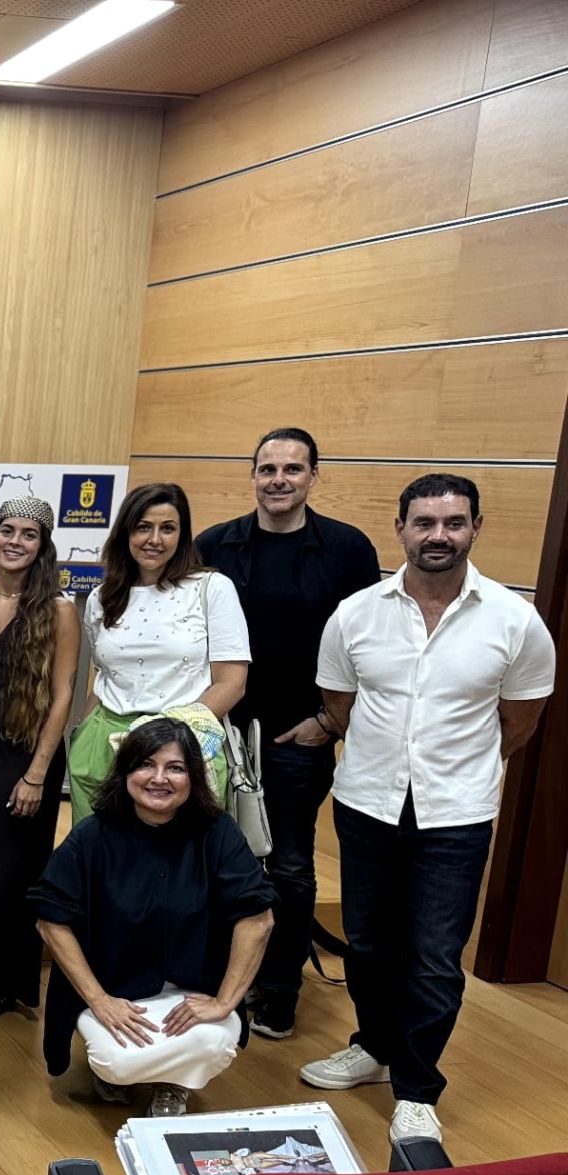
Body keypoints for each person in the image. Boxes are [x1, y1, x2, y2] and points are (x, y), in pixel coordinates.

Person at [301, 474, 554, 1144]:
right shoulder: (356, 614)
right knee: (369, 942)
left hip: (457, 813)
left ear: (475, 528)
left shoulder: (514, 621)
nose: (439, 535)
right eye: (425, 523)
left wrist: (454, 766)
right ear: (401, 529)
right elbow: (340, 706)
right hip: (367, 804)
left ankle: (416, 1090)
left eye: (454, 522)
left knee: (435, 955)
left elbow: (520, 721)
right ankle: (375, 1048)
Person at [196, 428, 380, 1040]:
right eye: (267, 468)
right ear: (252, 475)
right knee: (210, 856)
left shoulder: (347, 549)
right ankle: (218, 977)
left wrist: (327, 723)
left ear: (313, 476)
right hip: (217, 730)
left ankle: (278, 989)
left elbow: (370, 646)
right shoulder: (213, 545)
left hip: (296, 738)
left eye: (292, 469)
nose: (279, 480)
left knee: (290, 866)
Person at [32, 717, 275, 1117]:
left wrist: (224, 1001)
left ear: (193, 776)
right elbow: (50, 920)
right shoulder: (93, 836)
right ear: (125, 771)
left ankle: (173, 1084)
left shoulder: (218, 833)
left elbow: (258, 920)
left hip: (191, 993)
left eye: (175, 768)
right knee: (116, 1061)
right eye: (146, 764)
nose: (159, 778)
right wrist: (99, 1000)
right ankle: (130, 1072)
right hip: (117, 993)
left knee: (216, 1041)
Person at [0, 498, 80, 1019]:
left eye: (29, 534)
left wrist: (37, 774)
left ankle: (0, 982)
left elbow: (63, 695)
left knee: (6, 873)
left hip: (25, 753)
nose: (16, 541)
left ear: (43, 546)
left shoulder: (59, 610)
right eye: (8, 530)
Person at [70, 482, 248, 821]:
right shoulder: (102, 597)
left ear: (182, 535)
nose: (154, 539)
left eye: (167, 528)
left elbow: (232, 683)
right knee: (99, 850)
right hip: (102, 743)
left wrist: (165, 740)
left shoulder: (211, 588)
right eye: (143, 527)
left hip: (182, 748)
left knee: (178, 852)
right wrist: (82, 732)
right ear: (125, 532)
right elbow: (105, 675)